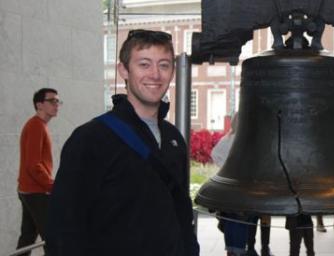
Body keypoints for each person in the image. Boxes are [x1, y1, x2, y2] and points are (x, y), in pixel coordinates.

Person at [46, 29, 200, 256]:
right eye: (144, 64)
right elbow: (64, 227)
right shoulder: (91, 139)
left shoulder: (173, 139)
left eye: (164, 65)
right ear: (123, 70)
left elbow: (181, 212)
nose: (155, 74)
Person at [17, 88, 61, 255]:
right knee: (53, 238)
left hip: (28, 190)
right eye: (52, 101)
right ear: (39, 105)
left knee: (27, 238)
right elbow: (34, 165)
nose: (56, 104)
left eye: (58, 101)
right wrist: (52, 186)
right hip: (36, 192)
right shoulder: (36, 126)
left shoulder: (39, 125)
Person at [211, 114, 250, 256]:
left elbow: (215, 154)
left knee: (231, 220)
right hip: (240, 186)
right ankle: (239, 249)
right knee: (240, 219)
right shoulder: (243, 141)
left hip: (229, 186)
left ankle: (231, 250)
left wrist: (225, 168)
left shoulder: (227, 139)